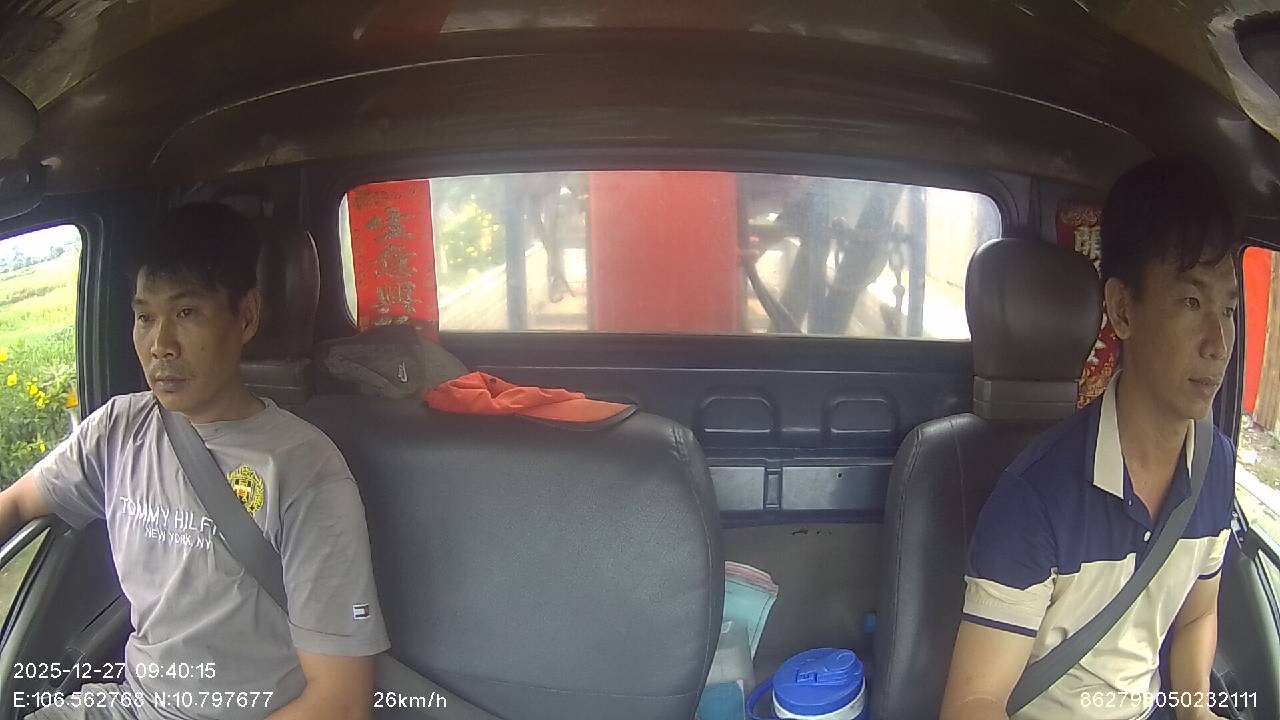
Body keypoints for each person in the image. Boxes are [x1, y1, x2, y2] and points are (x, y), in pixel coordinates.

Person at [0, 203, 389, 720]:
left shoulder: (305, 469)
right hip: (130, 706)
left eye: (186, 313)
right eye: (145, 318)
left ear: (246, 316)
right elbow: (18, 503)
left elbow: (340, 702)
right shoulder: (119, 428)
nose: (160, 346)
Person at [940, 158, 1239, 720]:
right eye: (1192, 302)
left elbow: (1198, 613)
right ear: (1123, 310)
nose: (1218, 342)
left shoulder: (1216, 466)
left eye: (1228, 309)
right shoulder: (1034, 497)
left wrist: (1197, 709)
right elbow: (974, 702)